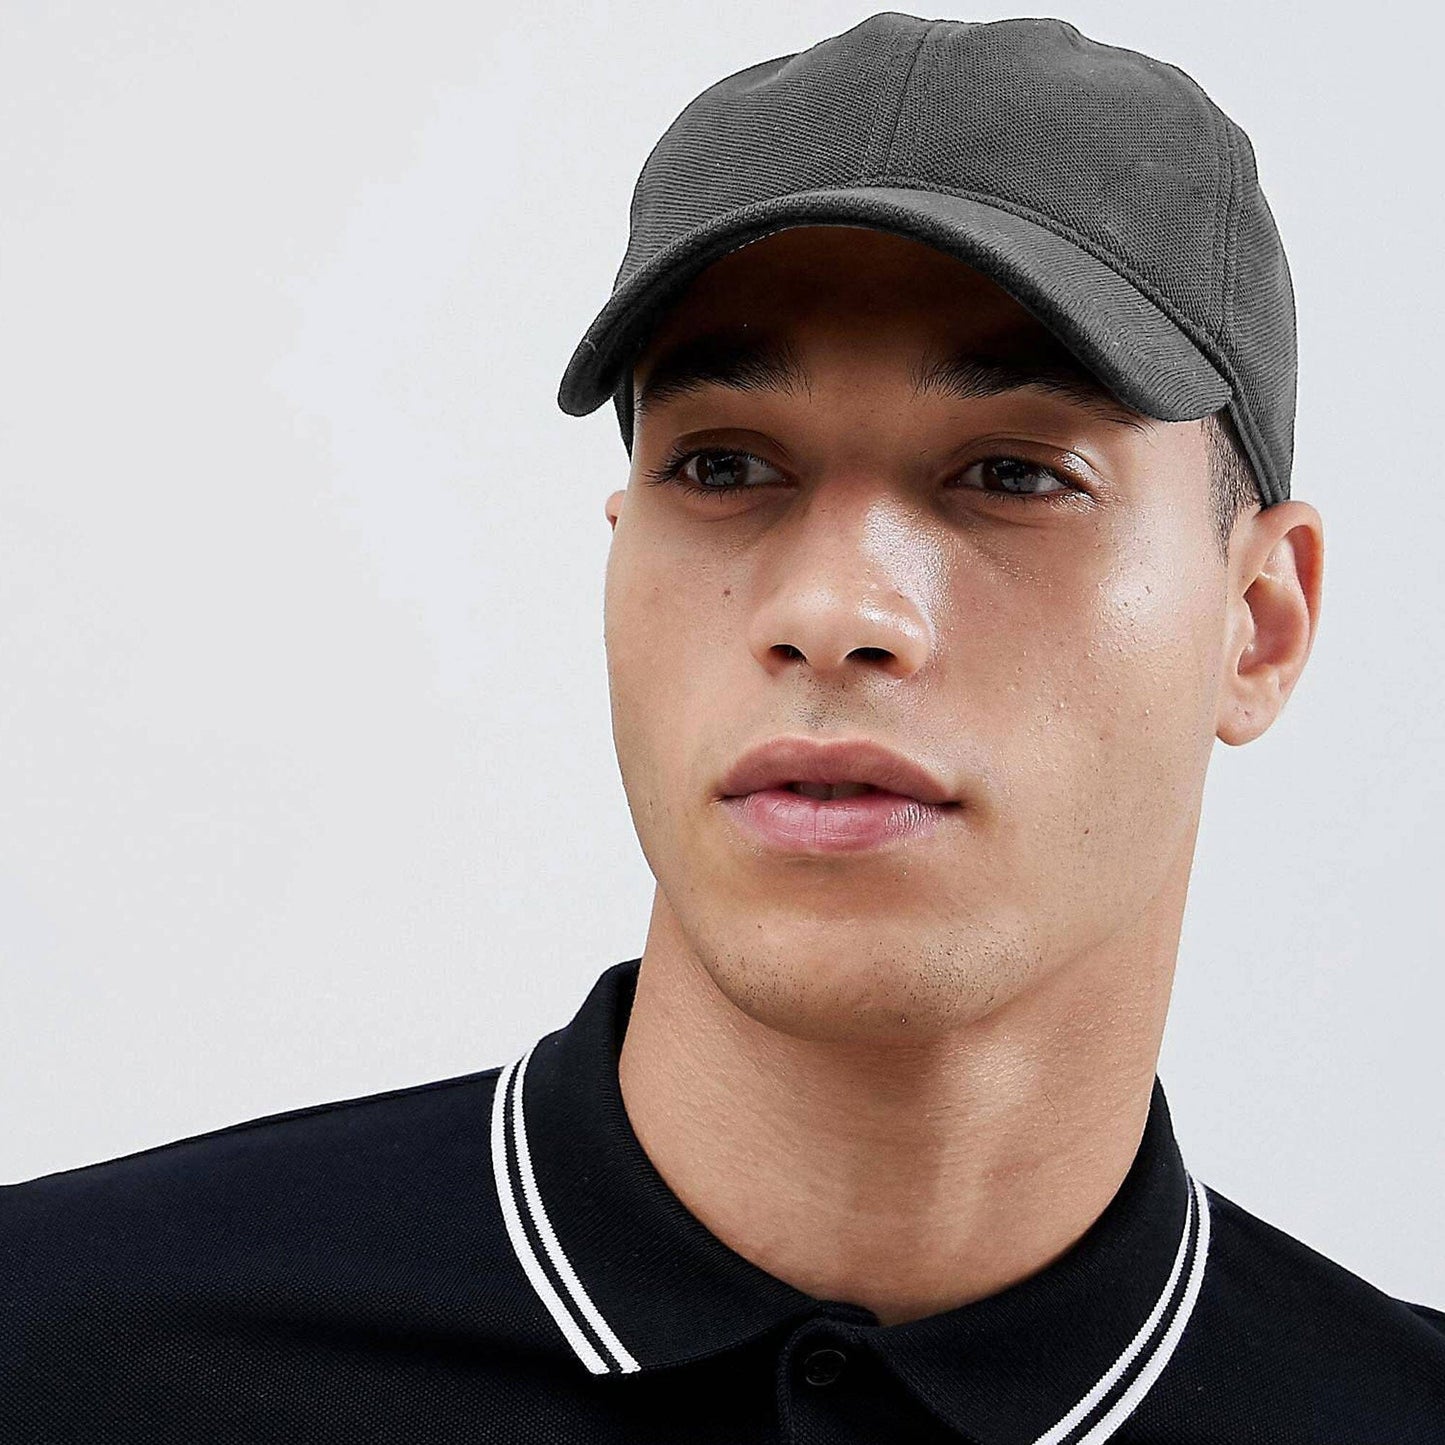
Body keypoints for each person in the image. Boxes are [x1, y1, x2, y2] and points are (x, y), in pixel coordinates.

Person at [3, 13, 1441, 1443]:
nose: (834, 609)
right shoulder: (59, 1350)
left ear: (1259, 621)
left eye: (1012, 473)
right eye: (725, 466)